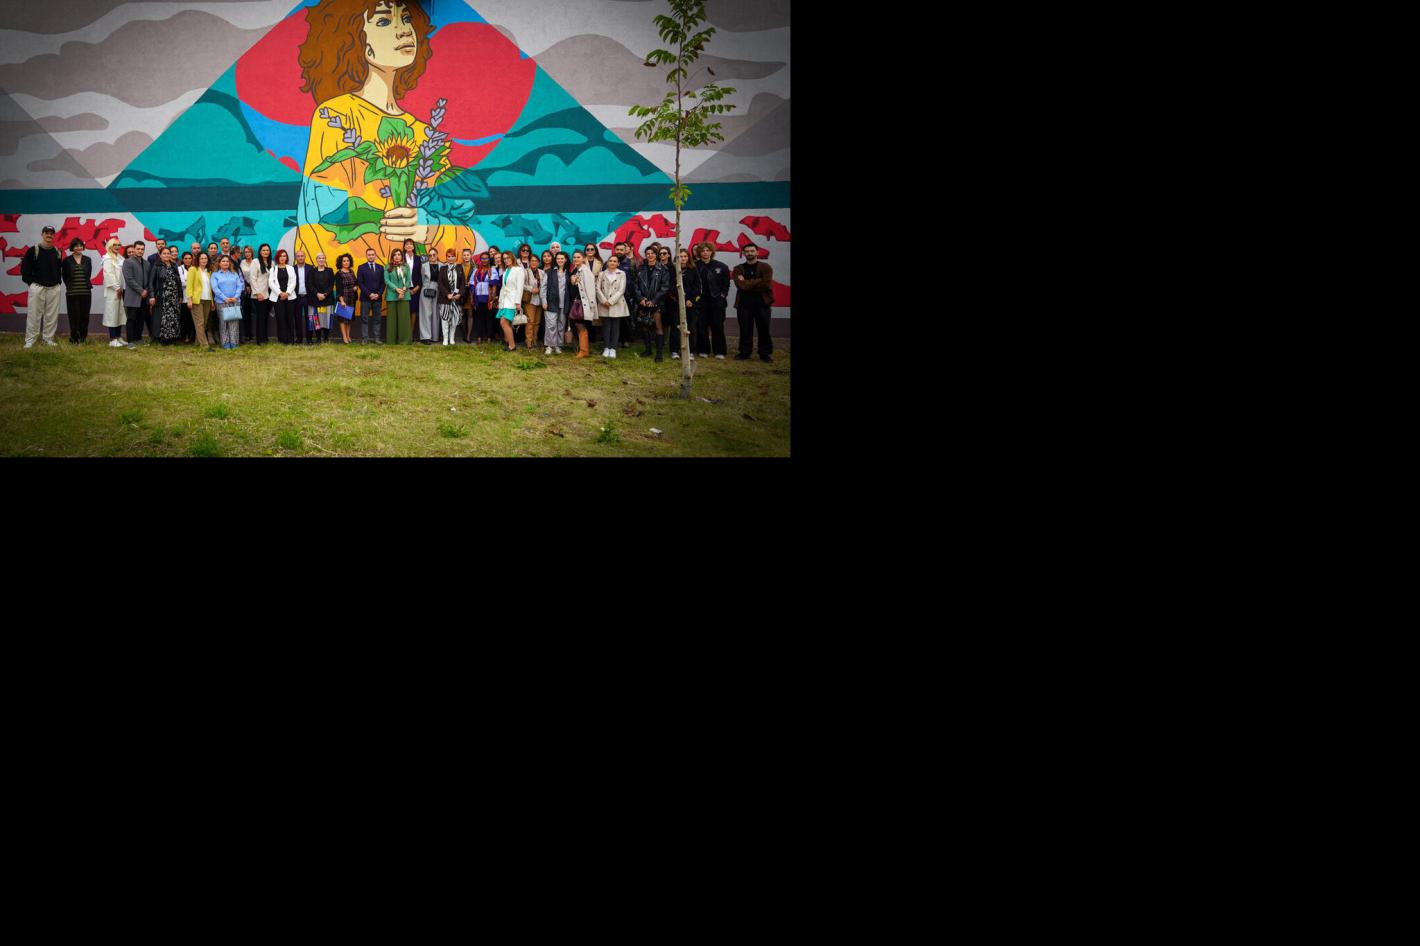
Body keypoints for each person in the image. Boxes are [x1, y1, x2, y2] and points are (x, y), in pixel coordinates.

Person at [294, 0, 481, 275]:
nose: (404, 30)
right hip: (363, 282)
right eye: (383, 22)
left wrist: (426, 229)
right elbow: (319, 219)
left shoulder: (424, 134)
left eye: (406, 19)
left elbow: (463, 233)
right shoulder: (336, 116)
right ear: (359, 43)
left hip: (413, 285)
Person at [732, 242, 774, 362]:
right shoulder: (738, 269)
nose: (749, 253)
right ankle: (745, 352)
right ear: (743, 253)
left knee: (764, 329)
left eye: (752, 251)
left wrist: (746, 282)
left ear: (757, 252)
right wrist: (757, 281)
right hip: (744, 305)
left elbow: (766, 285)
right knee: (745, 329)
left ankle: (764, 354)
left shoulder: (766, 267)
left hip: (762, 304)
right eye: (747, 251)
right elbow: (740, 285)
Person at [631, 245, 669, 361]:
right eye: (648, 253)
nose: (650, 255)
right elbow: (635, 285)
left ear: (656, 255)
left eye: (652, 253)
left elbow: (665, 287)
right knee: (644, 326)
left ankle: (659, 353)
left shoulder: (663, 269)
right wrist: (640, 299)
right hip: (643, 303)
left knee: (658, 327)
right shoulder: (641, 268)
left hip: (656, 303)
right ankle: (648, 350)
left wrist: (654, 300)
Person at [695, 241, 730, 359]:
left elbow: (726, 284)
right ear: (699, 252)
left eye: (708, 250)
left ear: (712, 252)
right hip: (700, 301)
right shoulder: (694, 266)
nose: (705, 252)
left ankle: (719, 351)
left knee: (717, 326)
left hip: (716, 301)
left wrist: (722, 296)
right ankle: (703, 350)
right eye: (703, 251)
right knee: (701, 326)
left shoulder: (721, 266)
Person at [666, 246, 701, 360]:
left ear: (688, 258)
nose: (683, 258)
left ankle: (690, 351)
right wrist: (680, 299)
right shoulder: (672, 270)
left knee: (691, 328)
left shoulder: (693, 269)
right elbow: (670, 287)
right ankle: (674, 350)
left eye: (685, 256)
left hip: (690, 304)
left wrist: (690, 300)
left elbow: (698, 287)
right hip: (675, 303)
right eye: (680, 256)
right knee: (676, 327)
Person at [595, 252, 628, 358]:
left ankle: (613, 348)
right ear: (607, 262)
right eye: (610, 261)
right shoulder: (601, 274)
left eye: (615, 261)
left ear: (618, 263)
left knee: (615, 326)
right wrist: (604, 300)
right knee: (606, 326)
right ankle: (606, 347)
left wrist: (611, 301)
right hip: (604, 303)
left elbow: (621, 290)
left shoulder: (622, 274)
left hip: (616, 303)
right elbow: (597, 288)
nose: (612, 263)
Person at [61, 237, 93, 344]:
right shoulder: (66, 260)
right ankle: (74, 338)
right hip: (72, 293)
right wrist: (70, 286)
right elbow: (64, 276)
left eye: (80, 246)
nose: (78, 248)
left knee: (85, 316)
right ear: (72, 247)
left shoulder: (88, 260)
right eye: (76, 246)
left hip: (86, 293)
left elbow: (88, 274)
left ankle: (83, 338)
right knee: (74, 317)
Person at [540, 250, 572, 355]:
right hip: (551, 303)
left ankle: (558, 345)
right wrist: (544, 301)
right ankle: (550, 346)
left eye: (562, 258)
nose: (560, 260)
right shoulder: (549, 272)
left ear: (565, 260)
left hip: (564, 304)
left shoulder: (569, 273)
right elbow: (543, 288)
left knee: (561, 325)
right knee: (551, 326)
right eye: (558, 258)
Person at [151, 246, 183, 345]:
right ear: (160, 255)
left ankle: (173, 337)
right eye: (164, 253)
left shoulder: (174, 266)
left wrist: (180, 295)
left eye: (168, 253)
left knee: (173, 316)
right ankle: (163, 338)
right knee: (164, 317)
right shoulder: (156, 266)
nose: (166, 255)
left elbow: (178, 282)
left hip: (173, 296)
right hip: (162, 296)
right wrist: (152, 295)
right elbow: (151, 282)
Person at [211, 255, 245, 349]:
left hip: (235, 301)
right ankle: (225, 343)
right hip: (221, 302)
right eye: (223, 261)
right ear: (219, 263)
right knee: (224, 323)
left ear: (230, 263)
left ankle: (234, 343)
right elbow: (215, 288)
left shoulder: (234, 274)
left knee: (234, 323)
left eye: (227, 261)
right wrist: (224, 298)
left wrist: (235, 297)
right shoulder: (215, 275)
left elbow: (240, 286)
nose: (225, 263)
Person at [122, 240, 152, 343]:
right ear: (134, 249)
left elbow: (149, 280)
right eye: (138, 249)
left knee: (141, 318)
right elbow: (129, 279)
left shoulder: (147, 264)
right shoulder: (128, 262)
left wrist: (146, 291)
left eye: (142, 249)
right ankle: (130, 340)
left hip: (144, 296)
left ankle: (138, 338)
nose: (140, 251)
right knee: (131, 319)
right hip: (133, 296)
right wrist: (141, 291)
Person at [353, 247, 385, 344]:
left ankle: (377, 338)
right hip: (365, 298)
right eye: (369, 255)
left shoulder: (380, 267)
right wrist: (369, 294)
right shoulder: (361, 267)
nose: (371, 256)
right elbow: (360, 283)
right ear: (366, 256)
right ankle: (365, 338)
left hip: (377, 298)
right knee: (364, 318)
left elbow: (383, 283)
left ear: (375, 256)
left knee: (377, 319)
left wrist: (378, 294)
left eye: (372, 254)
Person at [101, 238, 129, 348]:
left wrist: (121, 289)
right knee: (112, 315)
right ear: (110, 246)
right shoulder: (107, 258)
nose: (117, 247)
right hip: (113, 291)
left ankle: (118, 337)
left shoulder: (120, 258)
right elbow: (109, 275)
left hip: (121, 290)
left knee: (119, 314)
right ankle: (112, 339)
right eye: (115, 245)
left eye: (119, 245)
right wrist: (117, 288)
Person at [494, 250, 523, 351]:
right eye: (504, 259)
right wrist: (500, 301)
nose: (506, 260)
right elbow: (504, 287)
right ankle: (508, 342)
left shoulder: (519, 270)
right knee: (506, 323)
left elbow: (520, 288)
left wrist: (518, 302)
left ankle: (512, 345)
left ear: (512, 258)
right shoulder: (506, 270)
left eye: (508, 258)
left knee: (503, 322)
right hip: (504, 300)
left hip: (512, 301)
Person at [186, 251, 215, 349]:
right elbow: (189, 286)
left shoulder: (208, 271)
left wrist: (212, 302)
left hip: (207, 300)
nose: (204, 260)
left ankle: (197, 343)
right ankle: (205, 345)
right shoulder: (193, 269)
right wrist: (189, 299)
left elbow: (210, 288)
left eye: (205, 258)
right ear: (198, 260)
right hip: (197, 300)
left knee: (204, 323)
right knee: (200, 323)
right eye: (201, 258)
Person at [437, 248, 464, 346]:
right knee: (445, 319)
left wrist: (459, 294)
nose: (451, 258)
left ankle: (451, 338)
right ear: (446, 257)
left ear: (455, 257)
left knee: (454, 319)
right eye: (449, 256)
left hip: (456, 299)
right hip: (445, 299)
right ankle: (445, 339)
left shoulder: (459, 268)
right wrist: (447, 294)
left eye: (453, 256)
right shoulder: (442, 269)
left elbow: (463, 283)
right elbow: (440, 283)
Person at [271, 249, 299, 344]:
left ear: (286, 258)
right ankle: (282, 340)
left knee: (290, 318)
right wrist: (280, 293)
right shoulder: (273, 269)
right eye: (280, 256)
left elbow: (294, 281)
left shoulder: (291, 268)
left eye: (284, 256)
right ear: (277, 258)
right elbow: (271, 283)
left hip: (290, 297)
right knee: (280, 318)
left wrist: (287, 293)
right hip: (278, 297)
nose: (282, 258)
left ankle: (291, 339)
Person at [385, 248, 412, 343]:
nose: (397, 256)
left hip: (404, 295)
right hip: (392, 296)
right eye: (395, 255)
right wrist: (396, 289)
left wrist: (403, 290)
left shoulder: (406, 266)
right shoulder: (387, 266)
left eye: (399, 254)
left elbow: (408, 280)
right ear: (392, 256)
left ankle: (404, 341)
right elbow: (386, 280)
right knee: (391, 320)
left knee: (404, 319)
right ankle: (391, 340)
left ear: (401, 256)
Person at [307, 252, 335, 342]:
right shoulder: (312, 271)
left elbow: (331, 284)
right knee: (316, 319)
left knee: (326, 319)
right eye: (319, 258)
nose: (321, 260)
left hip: (327, 299)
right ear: (316, 260)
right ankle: (318, 338)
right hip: (315, 300)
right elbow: (310, 284)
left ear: (325, 259)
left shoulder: (330, 270)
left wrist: (325, 294)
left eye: (323, 258)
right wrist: (317, 294)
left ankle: (326, 338)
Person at [418, 249, 442, 343]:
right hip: (426, 289)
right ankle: (425, 337)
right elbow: (422, 279)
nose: (432, 257)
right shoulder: (424, 266)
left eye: (434, 254)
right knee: (425, 313)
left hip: (438, 290)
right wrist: (426, 286)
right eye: (430, 255)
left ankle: (434, 337)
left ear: (437, 255)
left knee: (436, 313)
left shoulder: (442, 265)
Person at [335, 252, 358, 343]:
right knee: (342, 319)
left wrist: (356, 286)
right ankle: (344, 337)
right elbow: (338, 289)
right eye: (344, 261)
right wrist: (341, 301)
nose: (346, 262)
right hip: (343, 299)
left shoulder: (351, 272)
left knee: (349, 319)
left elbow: (355, 282)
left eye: (347, 261)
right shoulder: (338, 274)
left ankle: (348, 336)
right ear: (341, 263)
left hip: (352, 298)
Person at [522, 254, 543, 351]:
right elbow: (521, 285)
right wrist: (531, 289)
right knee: (530, 321)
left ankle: (535, 340)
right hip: (529, 299)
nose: (534, 262)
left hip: (539, 300)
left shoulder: (542, 272)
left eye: (536, 261)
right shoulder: (525, 272)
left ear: (538, 262)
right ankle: (529, 341)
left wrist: (540, 289)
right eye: (532, 261)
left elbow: (545, 285)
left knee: (537, 322)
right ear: (529, 262)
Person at [293, 248, 311, 344]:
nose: (300, 257)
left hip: (308, 297)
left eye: (302, 256)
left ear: (305, 257)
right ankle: (299, 339)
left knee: (309, 318)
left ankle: (309, 339)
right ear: (296, 257)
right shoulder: (292, 269)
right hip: (297, 297)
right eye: (298, 256)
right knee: (297, 319)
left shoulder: (310, 268)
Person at [177, 251, 195, 342]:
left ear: (192, 259)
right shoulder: (180, 268)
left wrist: (188, 282)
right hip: (183, 298)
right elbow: (182, 282)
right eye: (186, 258)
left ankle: (192, 337)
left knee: (192, 319)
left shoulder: (194, 268)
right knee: (184, 318)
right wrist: (191, 283)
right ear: (183, 259)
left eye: (189, 258)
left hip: (193, 297)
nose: (188, 260)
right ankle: (184, 336)